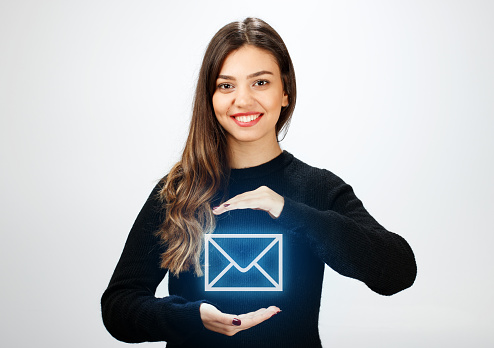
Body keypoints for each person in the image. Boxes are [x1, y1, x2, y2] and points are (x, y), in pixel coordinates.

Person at [101, 17, 417, 348]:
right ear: (210, 98)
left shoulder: (318, 189)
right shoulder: (178, 191)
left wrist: (290, 211)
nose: (243, 100)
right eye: (226, 85)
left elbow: (397, 272)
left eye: (260, 83)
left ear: (286, 92)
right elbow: (118, 308)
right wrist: (190, 318)